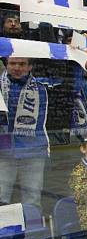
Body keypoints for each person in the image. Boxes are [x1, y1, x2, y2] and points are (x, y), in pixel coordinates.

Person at [0, 58, 53, 210]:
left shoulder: (43, 86)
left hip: (33, 150)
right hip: (4, 151)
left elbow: (69, 79)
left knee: (32, 198)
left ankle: (32, 232)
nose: (17, 67)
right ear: (6, 65)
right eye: (12, 63)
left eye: (22, 64)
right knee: (1, 196)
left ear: (30, 66)